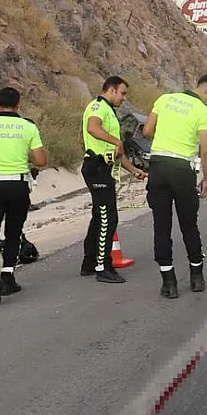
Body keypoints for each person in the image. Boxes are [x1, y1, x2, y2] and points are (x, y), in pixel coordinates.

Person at [143, 74, 207, 299]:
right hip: (182, 170)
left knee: (161, 226)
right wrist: (206, 178)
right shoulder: (202, 111)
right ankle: (197, 278)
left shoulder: (164, 99)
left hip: (158, 166)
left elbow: (147, 131)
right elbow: (206, 149)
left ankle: (168, 283)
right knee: (189, 224)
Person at [0, 86, 48, 306]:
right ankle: (7, 276)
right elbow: (41, 161)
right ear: (19, 104)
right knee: (13, 232)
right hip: (19, 186)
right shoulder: (28, 126)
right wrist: (25, 158)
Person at [80, 76, 146, 283]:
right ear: (110, 89)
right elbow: (92, 128)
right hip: (96, 166)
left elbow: (115, 151)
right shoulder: (98, 107)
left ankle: (90, 262)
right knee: (108, 217)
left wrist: (132, 169)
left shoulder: (110, 111)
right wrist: (116, 139)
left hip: (105, 167)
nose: (124, 98)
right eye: (122, 93)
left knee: (99, 216)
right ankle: (103, 266)